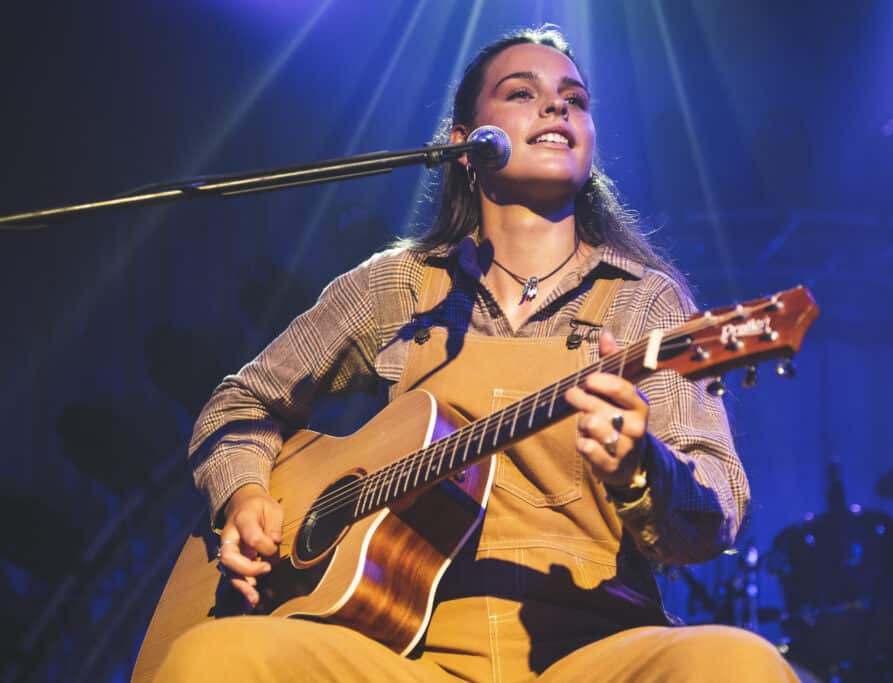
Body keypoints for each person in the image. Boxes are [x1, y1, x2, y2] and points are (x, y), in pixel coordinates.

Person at [156, 26, 798, 682]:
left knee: (738, 663)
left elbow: (716, 508)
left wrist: (640, 466)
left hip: (589, 650)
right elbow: (241, 403)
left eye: (574, 99)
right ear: (463, 145)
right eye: (523, 93)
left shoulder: (646, 303)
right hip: (402, 653)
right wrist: (244, 493)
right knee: (211, 657)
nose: (557, 108)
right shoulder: (398, 285)